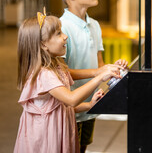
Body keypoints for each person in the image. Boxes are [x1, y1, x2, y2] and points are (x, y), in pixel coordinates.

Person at [14, 12, 121, 153]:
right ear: (43, 44)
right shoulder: (44, 74)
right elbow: (71, 100)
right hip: (46, 139)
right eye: (58, 33)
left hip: (58, 133)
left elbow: (61, 107)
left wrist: (89, 105)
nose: (65, 36)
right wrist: (99, 78)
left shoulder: (58, 67)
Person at [54, 0, 128, 152]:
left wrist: (112, 69)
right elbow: (61, 74)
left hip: (90, 107)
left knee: (83, 148)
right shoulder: (61, 28)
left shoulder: (94, 25)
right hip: (70, 110)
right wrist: (98, 72)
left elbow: (99, 64)